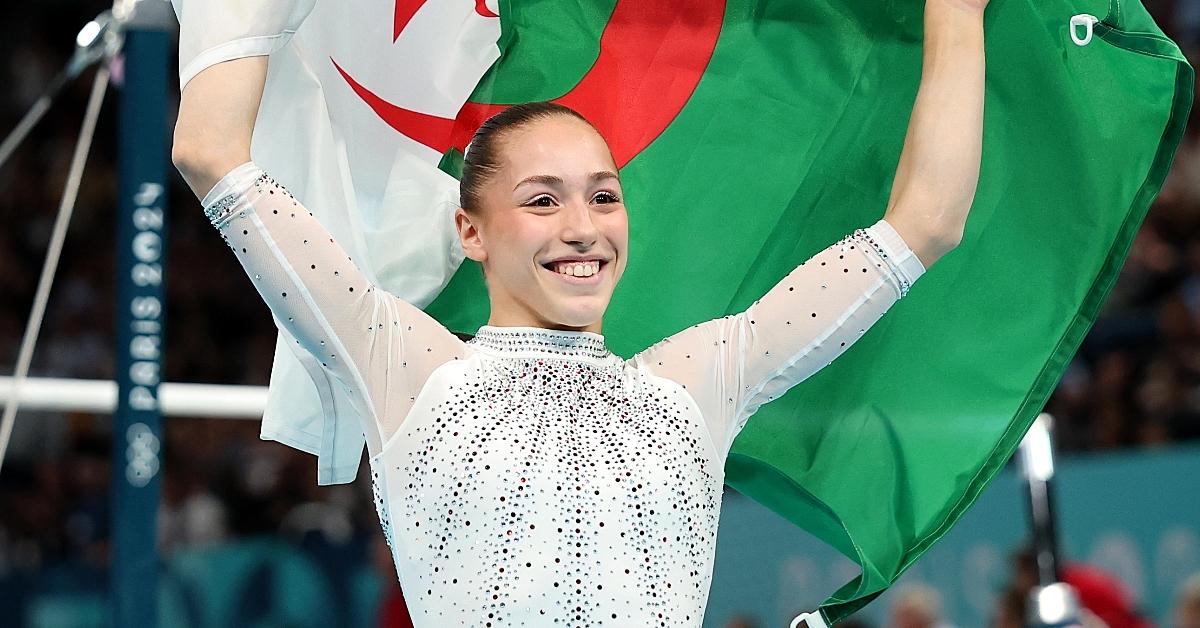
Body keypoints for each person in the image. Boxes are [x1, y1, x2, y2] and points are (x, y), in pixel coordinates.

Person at [170, 0, 987, 623]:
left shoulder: (697, 381)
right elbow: (211, 153)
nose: (583, 227)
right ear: (471, 231)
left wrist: (959, 15)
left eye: (603, 196)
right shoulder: (405, 364)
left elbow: (925, 224)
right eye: (542, 199)